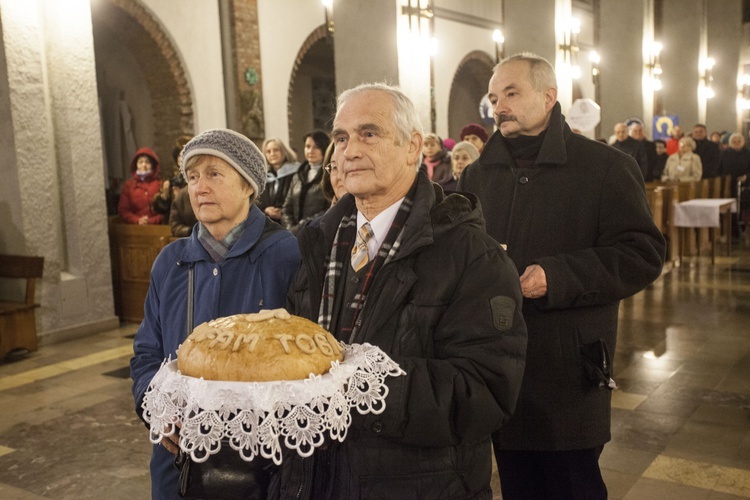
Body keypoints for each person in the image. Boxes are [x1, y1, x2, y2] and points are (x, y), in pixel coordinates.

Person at [284, 82, 527, 498]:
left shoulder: (471, 256)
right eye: (341, 138)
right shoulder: (317, 243)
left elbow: (486, 391)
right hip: (316, 478)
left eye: (369, 134)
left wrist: (366, 384)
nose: (349, 150)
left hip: (414, 484)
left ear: (413, 147)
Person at [458, 53, 665, 500]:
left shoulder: (604, 167)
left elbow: (643, 253)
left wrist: (556, 276)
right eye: (494, 97)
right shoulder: (478, 174)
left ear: (549, 97)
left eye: (511, 93)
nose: (499, 106)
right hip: (497, 359)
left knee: (572, 484)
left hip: (568, 361)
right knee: (516, 482)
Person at [130, 128, 301, 500]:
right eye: (192, 177)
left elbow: (306, 358)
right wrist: (157, 411)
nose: (199, 187)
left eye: (213, 174)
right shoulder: (170, 261)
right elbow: (146, 353)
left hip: (263, 463)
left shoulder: (286, 255)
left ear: (248, 186)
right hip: (178, 461)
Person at [282, 130, 331, 233]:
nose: (311, 151)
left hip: (318, 232)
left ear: (325, 148)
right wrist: (290, 228)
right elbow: (287, 207)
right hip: (294, 234)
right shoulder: (298, 175)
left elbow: (330, 207)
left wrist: (303, 225)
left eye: (316, 147)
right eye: (308, 147)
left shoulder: (330, 174)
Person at [117, 147, 164, 225]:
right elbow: (123, 210)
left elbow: (166, 210)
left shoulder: (160, 184)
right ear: (136, 165)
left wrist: (152, 221)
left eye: (147, 162)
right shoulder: (129, 185)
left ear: (153, 165)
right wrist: (137, 220)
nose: (144, 165)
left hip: (157, 227)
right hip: (135, 228)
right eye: (140, 162)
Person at [258, 137, 300, 222]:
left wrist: (283, 212)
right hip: (269, 224)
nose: (272, 154)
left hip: (292, 222)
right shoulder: (264, 176)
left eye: (276, 150)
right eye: (268, 151)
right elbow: (258, 202)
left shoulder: (297, 172)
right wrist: (266, 210)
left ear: (284, 151)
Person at [720, 132, 750, 196]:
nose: (737, 143)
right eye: (734, 141)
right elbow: (720, 167)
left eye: (739, 141)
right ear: (730, 142)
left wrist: (746, 177)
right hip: (727, 184)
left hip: (744, 184)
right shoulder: (724, 153)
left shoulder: (748, 153)